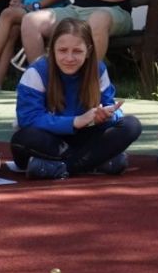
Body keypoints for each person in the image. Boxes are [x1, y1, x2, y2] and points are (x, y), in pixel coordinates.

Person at [12, 18, 140, 179]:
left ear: (89, 51)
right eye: (62, 50)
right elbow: (28, 119)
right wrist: (75, 121)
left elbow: (112, 109)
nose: (69, 58)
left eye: (77, 51)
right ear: (52, 50)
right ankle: (95, 162)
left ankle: (60, 168)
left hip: (83, 136)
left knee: (131, 125)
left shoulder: (98, 70)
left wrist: (107, 115)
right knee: (24, 138)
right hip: (49, 139)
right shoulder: (37, 72)